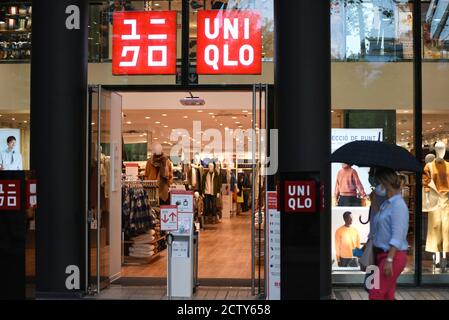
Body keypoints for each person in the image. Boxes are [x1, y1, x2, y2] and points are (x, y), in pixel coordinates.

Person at [368, 167, 409, 300]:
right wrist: (374, 201)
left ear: (385, 183)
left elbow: (398, 236)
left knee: (376, 293)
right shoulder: (388, 203)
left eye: (378, 183)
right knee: (387, 295)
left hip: (393, 256)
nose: (377, 187)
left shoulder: (398, 205)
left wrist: (390, 260)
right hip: (382, 255)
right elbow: (378, 224)